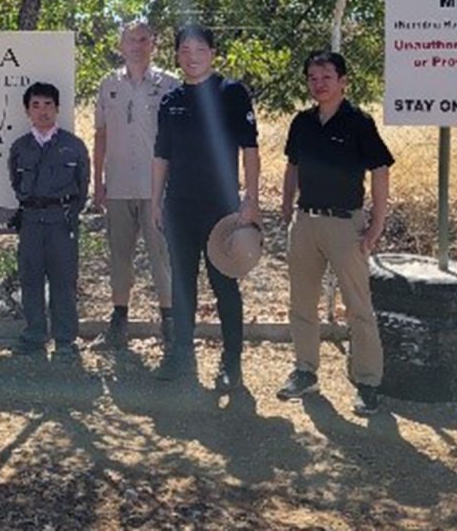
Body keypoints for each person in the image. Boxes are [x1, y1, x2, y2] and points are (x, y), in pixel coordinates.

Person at [277, 51, 394, 416]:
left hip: (346, 225)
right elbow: (292, 166)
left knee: (358, 307)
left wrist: (376, 224)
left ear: (343, 81)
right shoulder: (302, 122)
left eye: (327, 77)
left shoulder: (359, 122)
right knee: (302, 303)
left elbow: (380, 170)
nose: (319, 84)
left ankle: (368, 382)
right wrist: (287, 207)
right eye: (313, 77)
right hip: (306, 222)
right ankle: (305, 371)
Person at [151, 25, 261, 391]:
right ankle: (181, 354)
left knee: (224, 284)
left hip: (222, 209)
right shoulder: (171, 100)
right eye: (184, 50)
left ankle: (231, 363)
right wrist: (155, 202)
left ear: (212, 53)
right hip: (179, 207)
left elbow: (250, 150)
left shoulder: (232, 93)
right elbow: (161, 156)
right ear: (176, 55)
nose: (192, 56)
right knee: (182, 284)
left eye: (199, 49)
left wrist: (251, 200)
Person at [93, 20, 179, 349]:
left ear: (153, 44)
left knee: (162, 256)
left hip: (157, 189)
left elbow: (179, 141)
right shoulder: (108, 85)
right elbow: (100, 135)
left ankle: (170, 324)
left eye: (144, 40)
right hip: (118, 184)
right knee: (120, 257)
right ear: (121, 46)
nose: (137, 46)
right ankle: (118, 322)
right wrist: (98, 181)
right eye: (131, 40)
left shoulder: (169, 85)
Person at [8, 82, 90, 362]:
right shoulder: (20, 147)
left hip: (61, 221)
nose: (42, 111)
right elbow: (15, 181)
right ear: (27, 111)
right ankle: (34, 336)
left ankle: (65, 340)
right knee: (30, 279)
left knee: (63, 280)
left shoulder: (73, 146)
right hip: (31, 220)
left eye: (48, 105)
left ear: (57, 109)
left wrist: (68, 214)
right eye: (36, 105)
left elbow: (82, 185)